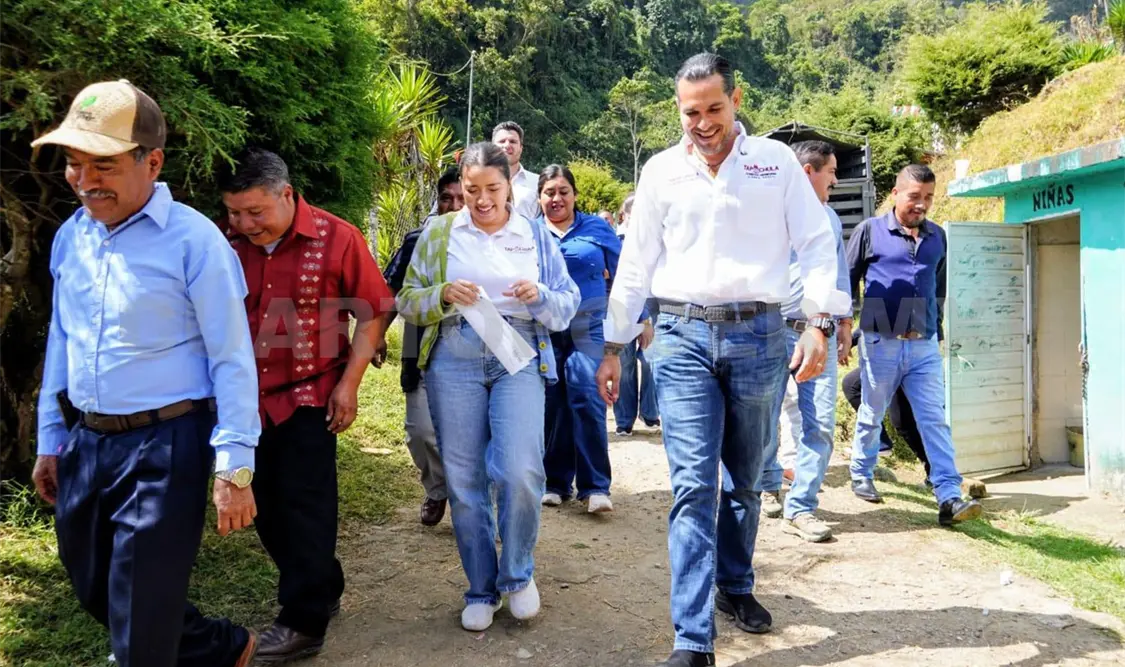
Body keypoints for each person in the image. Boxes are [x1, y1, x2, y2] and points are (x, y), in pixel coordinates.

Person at [596, 54, 850, 667]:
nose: (703, 123)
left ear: (736, 99)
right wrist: (612, 345)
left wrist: (819, 322)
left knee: (745, 478)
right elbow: (636, 263)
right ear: (677, 110)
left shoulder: (774, 162)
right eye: (691, 112)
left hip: (760, 335)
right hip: (680, 335)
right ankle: (692, 638)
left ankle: (735, 584)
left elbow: (817, 243)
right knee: (692, 484)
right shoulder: (661, 172)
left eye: (714, 108)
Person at [30, 80, 261, 667]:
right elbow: (62, 340)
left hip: (165, 444)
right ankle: (221, 646)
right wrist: (51, 440)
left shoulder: (194, 242)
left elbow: (232, 357)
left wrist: (234, 467)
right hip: (87, 441)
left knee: (140, 621)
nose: (85, 180)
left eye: (103, 165)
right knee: (95, 585)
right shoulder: (72, 237)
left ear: (151, 163)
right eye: (75, 164)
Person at [396, 142, 580, 632]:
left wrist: (539, 295)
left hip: (517, 353)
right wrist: (441, 294)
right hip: (453, 356)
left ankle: (517, 574)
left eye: (492, 189)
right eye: (472, 189)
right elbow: (407, 301)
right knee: (464, 479)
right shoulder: (440, 233)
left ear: (509, 186)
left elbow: (567, 304)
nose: (481, 200)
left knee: (520, 470)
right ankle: (480, 587)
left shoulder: (535, 234)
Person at [219, 148, 392, 661]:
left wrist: (349, 384)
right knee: (265, 508)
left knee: (306, 507)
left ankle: (303, 623)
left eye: (255, 212)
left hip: (309, 396)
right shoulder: (223, 242)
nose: (245, 224)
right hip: (244, 402)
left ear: (287, 195)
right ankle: (322, 584)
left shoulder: (339, 238)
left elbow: (374, 311)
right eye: (235, 212)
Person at [846, 164, 982, 525]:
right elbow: (847, 281)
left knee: (934, 419)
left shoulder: (938, 236)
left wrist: (936, 332)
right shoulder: (870, 231)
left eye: (929, 197)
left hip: (923, 345)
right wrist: (846, 329)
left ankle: (949, 496)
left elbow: (938, 289)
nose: (921, 204)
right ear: (895, 194)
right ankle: (862, 472)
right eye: (914, 196)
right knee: (872, 412)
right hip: (881, 340)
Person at [756, 140, 852, 542]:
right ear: (809, 171)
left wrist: (844, 320)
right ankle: (766, 484)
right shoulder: (767, 212)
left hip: (818, 332)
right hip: (769, 331)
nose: (836, 180)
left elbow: (839, 271)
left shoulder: (829, 218)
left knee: (821, 424)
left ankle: (801, 506)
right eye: (832, 172)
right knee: (763, 419)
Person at [537, 165, 641, 514]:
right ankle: (555, 482)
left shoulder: (596, 229)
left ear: (575, 195)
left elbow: (625, 274)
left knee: (587, 396)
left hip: (589, 327)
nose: (557, 198)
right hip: (545, 329)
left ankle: (595, 486)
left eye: (563, 191)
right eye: (549, 192)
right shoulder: (530, 232)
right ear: (539, 197)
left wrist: (640, 318)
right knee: (552, 403)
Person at [380, 168, 463, 526]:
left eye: (462, 199)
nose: (454, 206)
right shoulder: (417, 240)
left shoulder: (490, 243)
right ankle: (437, 488)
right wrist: (377, 334)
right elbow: (391, 291)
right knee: (420, 431)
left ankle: (472, 500)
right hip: (420, 346)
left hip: (473, 352)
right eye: (447, 198)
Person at [612, 193, 660, 435]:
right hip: (621, 304)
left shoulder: (657, 238)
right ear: (625, 216)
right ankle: (624, 419)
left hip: (652, 302)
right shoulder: (615, 242)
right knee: (624, 362)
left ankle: (650, 412)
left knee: (651, 360)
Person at [842, 356, 932, 482]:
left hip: (900, 357)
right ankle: (880, 442)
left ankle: (936, 473)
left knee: (851, 384)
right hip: (892, 356)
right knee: (902, 421)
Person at [492, 121, 541, 220]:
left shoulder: (537, 182)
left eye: (513, 141)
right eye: (502, 141)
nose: (507, 145)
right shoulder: (480, 182)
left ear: (521, 148)